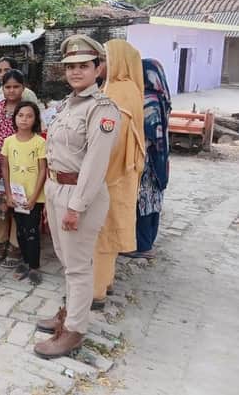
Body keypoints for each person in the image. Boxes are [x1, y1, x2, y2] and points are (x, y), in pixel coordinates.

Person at [34, 34, 120, 359]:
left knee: (78, 266)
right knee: (66, 260)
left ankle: (74, 330)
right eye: (70, 66)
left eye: (83, 65)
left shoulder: (103, 109)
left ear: (98, 69)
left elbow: (96, 164)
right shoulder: (67, 105)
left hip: (81, 195)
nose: (76, 71)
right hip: (57, 188)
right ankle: (70, 313)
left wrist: (76, 206)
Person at [93, 40, 145, 307]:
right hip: (124, 173)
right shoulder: (129, 88)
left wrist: (95, 175)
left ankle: (96, 292)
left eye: (104, 59)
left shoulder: (117, 92)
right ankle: (107, 281)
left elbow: (113, 140)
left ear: (118, 61)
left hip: (112, 172)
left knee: (101, 232)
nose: (100, 64)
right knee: (110, 229)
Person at [126, 59, 171, 259]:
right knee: (153, 202)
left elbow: (147, 135)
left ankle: (142, 246)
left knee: (143, 202)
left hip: (147, 160)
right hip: (160, 159)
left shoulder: (146, 99)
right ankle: (148, 241)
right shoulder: (162, 97)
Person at [0, 69, 26, 269]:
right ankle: (0, 243)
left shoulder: (27, 111)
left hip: (21, 169)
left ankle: (15, 246)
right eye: (8, 87)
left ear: (23, 88)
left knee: (18, 207)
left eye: (16, 86)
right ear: (2, 88)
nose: (11, 90)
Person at [1, 101, 47, 285]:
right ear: (15, 118)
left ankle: (34, 267)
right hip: (16, 197)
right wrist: (8, 194)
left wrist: (34, 197)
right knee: (20, 230)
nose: (24, 119)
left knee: (32, 231)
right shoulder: (9, 141)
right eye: (20, 115)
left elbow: (42, 170)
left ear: (35, 119)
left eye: (29, 116)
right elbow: (5, 168)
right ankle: (25, 261)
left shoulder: (39, 142)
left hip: (34, 197)